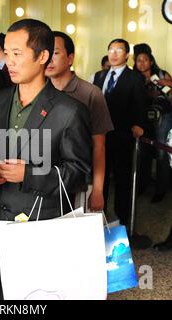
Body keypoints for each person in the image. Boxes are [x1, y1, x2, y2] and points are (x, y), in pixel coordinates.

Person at [0, 19, 92, 297]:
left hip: (42, 226)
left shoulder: (69, 110)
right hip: (0, 221)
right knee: (5, 292)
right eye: (6, 53)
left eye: (17, 54)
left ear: (42, 56)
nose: (9, 61)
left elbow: (78, 172)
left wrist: (29, 174)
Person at [45, 31, 113, 211]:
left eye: (56, 53)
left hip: (80, 182)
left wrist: (97, 190)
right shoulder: (38, 92)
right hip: (45, 180)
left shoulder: (91, 93)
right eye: (45, 53)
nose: (49, 59)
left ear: (70, 58)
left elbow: (99, 146)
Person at [93, 38, 147, 226]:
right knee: (101, 177)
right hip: (101, 136)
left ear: (126, 54)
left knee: (123, 179)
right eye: (111, 50)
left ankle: (122, 220)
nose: (113, 54)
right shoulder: (100, 76)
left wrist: (139, 124)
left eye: (118, 50)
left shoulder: (135, 77)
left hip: (123, 134)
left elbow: (141, 103)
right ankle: (99, 216)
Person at [134, 51, 172, 203]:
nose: (142, 63)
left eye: (145, 60)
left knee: (162, 152)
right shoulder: (134, 78)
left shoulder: (161, 74)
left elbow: (170, 96)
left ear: (151, 62)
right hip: (143, 118)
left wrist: (168, 84)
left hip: (163, 117)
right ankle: (143, 184)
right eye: (138, 60)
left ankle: (161, 189)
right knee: (143, 152)